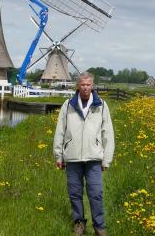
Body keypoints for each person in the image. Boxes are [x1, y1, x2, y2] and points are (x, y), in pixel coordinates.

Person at [53, 72, 115, 236]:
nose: (86, 88)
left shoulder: (101, 105)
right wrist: (59, 155)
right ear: (78, 86)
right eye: (83, 85)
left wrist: (106, 159)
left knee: (96, 193)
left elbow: (107, 133)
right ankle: (79, 223)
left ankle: (99, 226)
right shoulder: (68, 105)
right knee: (74, 192)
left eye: (88, 85)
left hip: (93, 157)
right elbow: (60, 131)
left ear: (92, 86)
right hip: (72, 157)